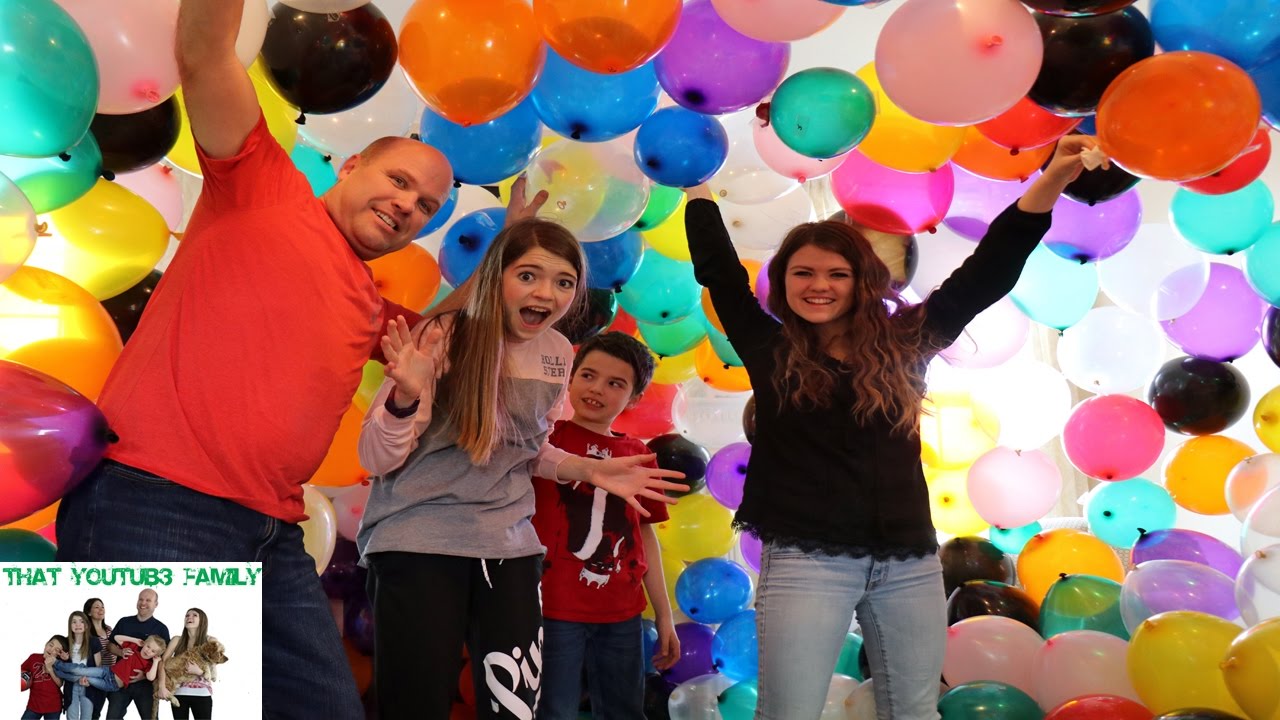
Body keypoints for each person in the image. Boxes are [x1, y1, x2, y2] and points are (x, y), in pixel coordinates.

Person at [49, 0, 526, 715]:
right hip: (156, 501)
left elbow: (438, 333)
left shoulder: (367, 301)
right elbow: (205, 54)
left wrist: (505, 254)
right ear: (353, 164)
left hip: (272, 533)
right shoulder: (263, 185)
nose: (408, 206)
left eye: (428, 206)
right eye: (399, 181)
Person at [683, 135, 1101, 720]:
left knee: (915, 712)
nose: (819, 285)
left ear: (863, 282)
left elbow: (989, 271)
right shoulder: (769, 347)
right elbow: (721, 274)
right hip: (807, 562)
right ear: (784, 281)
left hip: (907, 562)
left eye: (837, 273)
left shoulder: (908, 342)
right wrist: (696, 184)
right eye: (803, 273)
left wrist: (1053, 178)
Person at [357, 220, 688, 719]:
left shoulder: (556, 352)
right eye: (528, 275)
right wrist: (405, 397)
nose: (546, 293)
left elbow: (531, 448)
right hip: (420, 541)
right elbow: (375, 458)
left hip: (509, 547)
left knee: (515, 708)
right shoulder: (442, 335)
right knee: (415, 705)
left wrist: (587, 469)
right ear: (497, 276)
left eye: (563, 281)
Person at [532, 331, 683, 720]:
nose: (597, 388)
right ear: (570, 379)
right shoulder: (544, 442)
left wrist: (664, 614)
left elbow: (644, 535)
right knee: (553, 710)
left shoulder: (639, 456)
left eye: (615, 383)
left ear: (634, 398)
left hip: (622, 614)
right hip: (552, 609)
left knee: (624, 710)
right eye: (588, 375)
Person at [103, 589, 170, 720]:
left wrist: (145, 676)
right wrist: (120, 652)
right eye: (141, 599)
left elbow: (163, 660)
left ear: (156, 604)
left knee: (151, 718)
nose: (143, 603)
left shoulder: (161, 628)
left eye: (148, 600)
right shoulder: (124, 622)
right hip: (120, 680)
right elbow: (110, 645)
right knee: (112, 718)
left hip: (145, 685)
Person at [158, 608, 224, 720]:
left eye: (194, 615)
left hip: (202, 694)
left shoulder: (210, 640)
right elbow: (162, 662)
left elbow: (214, 665)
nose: (189, 617)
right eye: (187, 615)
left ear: (202, 620)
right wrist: (161, 687)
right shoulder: (177, 640)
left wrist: (199, 672)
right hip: (179, 694)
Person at [53, 636, 164, 698]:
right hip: (107, 671)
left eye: (153, 651)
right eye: (148, 646)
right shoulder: (133, 648)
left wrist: (156, 662)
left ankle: (59, 673)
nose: (148, 651)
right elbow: (117, 638)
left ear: (155, 655)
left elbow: (150, 677)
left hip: (112, 684)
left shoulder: (148, 665)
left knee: (83, 678)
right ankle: (56, 663)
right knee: (81, 670)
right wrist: (135, 640)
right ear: (144, 644)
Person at [55, 611, 103, 720]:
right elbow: (64, 667)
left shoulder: (93, 641)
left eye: (81, 622)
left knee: (87, 717)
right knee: (72, 717)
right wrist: (65, 659)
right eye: (74, 622)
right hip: (71, 685)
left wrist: (90, 680)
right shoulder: (66, 642)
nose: (78, 625)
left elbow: (99, 666)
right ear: (70, 625)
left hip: (88, 684)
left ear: (86, 625)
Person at [83, 598, 115, 720]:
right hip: (98, 676)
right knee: (95, 712)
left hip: (113, 676)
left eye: (102, 607)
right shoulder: (86, 633)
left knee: (115, 712)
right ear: (89, 612)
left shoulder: (109, 630)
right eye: (96, 607)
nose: (101, 609)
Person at [20, 636, 66, 720]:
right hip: (34, 705)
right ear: (46, 644)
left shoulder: (59, 664)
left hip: (53, 707)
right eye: (51, 645)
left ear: (59, 655)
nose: (51, 649)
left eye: (57, 650)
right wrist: (24, 681)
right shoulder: (33, 658)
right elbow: (21, 670)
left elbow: (60, 684)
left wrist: (50, 669)